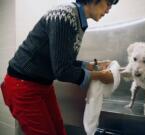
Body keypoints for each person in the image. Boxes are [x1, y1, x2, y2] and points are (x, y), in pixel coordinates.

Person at [0, 0, 119, 135]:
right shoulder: (65, 15)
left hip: (42, 85)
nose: (109, 9)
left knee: (59, 130)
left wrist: (91, 66)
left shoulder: (77, 19)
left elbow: (62, 60)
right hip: (22, 86)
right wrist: (100, 76)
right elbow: (62, 71)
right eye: (108, 3)